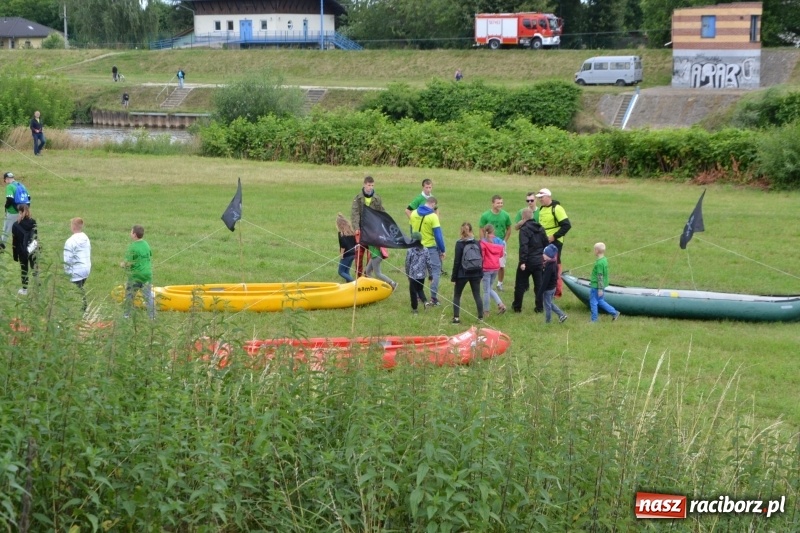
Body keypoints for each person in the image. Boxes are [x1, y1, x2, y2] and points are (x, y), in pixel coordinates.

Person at [535, 188, 572, 297]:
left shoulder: (557, 208)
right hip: (543, 241)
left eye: (541, 197)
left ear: (548, 197)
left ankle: (557, 291)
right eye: (539, 198)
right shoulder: (541, 209)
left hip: (555, 243)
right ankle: (546, 288)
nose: (540, 200)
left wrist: (554, 236)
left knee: (554, 265)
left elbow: (567, 225)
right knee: (544, 264)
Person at [409, 196, 445, 306]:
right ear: (433, 204)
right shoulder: (433, 217)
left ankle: (418, 295)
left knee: (417, 271)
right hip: (430, 247)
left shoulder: (414, 213)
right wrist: (442, 250)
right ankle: (433, 298)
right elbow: (438, 235)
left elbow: (411, 231)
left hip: (416, 246)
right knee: (435, 271)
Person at [512, 208, 548, 313]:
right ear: (532, 216)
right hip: (538, 261)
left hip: (527, 261)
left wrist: (522, 261)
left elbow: (524, 246)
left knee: (520, 285)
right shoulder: (541, 228)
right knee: (539, 285)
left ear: (523, 217)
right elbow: (546, 244)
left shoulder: (524, 229)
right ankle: (540, 307)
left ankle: (517, 307)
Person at [350, 175, 385, 278]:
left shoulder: (377, 198)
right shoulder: (357, 198)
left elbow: (381, 212)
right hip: (361, 231)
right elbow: (355, 213)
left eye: (372, 185)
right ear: (364, 184)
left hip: (373, 231)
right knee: (359, 255)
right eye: (369, 185)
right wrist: (356, 227)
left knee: (371, 256)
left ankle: (367, 276)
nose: (370, 187)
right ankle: (358, 277)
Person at [450, 222, 483, 324]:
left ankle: (456, 318)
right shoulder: (477, 243)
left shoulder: (459, 243)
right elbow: (481, 258)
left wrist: (453, 277)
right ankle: (480, 317)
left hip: (462, 273)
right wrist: (481, 273)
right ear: (471, 230)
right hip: (476, 272)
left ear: (461, 231)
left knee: (457, 295)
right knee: (477, 295)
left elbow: (457, 261)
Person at [121, 225, 155, 319]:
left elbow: (128, 263)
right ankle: (152, 317)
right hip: (147, 275)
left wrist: (122, 265)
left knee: (129, 295)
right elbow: (149, 255)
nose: (130, 233)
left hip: (135, 276)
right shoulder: (146, 244)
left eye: (131, 232)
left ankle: (126, 315)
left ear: (134, 235)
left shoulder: (132, 247)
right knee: (148, 296)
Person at [479, 195, 512, 291]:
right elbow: (481, 229)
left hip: (500, 244)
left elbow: (509, 228)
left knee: (501, 264)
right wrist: (483, 242)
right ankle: (487, 282)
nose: (500, 205)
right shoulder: (485, 215)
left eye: (501, 203)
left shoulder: (506, 215)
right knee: (487, 263)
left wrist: (504, 241)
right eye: (498, 203)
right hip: (488, 244)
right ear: (492, 203)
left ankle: (500, 283)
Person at [64, 217, 92, 313]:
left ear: (73, 227)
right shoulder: (86, 238)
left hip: (76, 270)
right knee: (79, 287)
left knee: (76, 290)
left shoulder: (70, 241)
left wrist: (66, 271)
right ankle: (81, 306)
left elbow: (67, 259)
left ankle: (82, 307)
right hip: (86, 268)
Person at [480, 224, 506, 316]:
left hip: (486, 268)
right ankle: (500, 304)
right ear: (493, 231)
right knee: (489, 288)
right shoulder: (498, 241)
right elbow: (501, 255)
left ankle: (486, 311)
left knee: (486, 290)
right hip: (495, 267)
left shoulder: (483, 242)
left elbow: (482, 256)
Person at [590, 242, 620, 322]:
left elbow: (600, 275)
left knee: (593, 302)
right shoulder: (604, 260)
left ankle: (594, 320)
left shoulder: (599, 263)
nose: (593, 251)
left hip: (596, 286)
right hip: (602, 285)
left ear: (596, 251)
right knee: (600, 301)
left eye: (594, 249)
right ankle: (614, 313)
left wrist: (600, 289)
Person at [11, 204, 37, 296]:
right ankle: (38, 288)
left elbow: (15, 242)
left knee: (24, 270)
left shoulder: (15, 225)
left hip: (22, 251)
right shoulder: (33, 222)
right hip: (33, 249)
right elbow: (35, 237)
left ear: (20, 212)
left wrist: (15, 255)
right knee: (34, 268)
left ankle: (24, 290)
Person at [405, 232, 431, 314]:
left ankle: (415, 309)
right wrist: (431, 275)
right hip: (422, 275)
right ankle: (425, 302)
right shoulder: (426, 250)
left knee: (413, 292)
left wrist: (407, 274)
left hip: (413, 275)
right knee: (420, 289)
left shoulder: (410, 250)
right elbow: (429, 263)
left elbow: (407, 263)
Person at [541, 244, 567, 324]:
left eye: (544, 254)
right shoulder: (554, 263)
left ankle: (548, 322)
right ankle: (562, 315)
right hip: (553, 288)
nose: (543, 255)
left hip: (548, 289)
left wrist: (540, 292)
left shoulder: (549, 267)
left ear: (549, 256)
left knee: (547, 306)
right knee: (550, 303)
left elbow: (545, 281)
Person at [2, 172, 29, 249]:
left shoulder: (10, 187)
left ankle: (2, 245)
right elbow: (28, 198)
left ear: (6, 179)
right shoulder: (21, 185)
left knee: (6, 228)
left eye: (5, 181)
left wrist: (7, 206)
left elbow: (10, 199)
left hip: (12, 211)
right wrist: (24, 210)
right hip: (23, 210)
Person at [336, 213, 357, 283]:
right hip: (353, 253)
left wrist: (341, 255)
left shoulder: (341, 233)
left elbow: (343, 245)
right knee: (346, 270)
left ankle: (353, 282)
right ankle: (349, 285)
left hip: (346, 255)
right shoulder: (351, 232)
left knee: (341, 271)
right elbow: (355, 243)